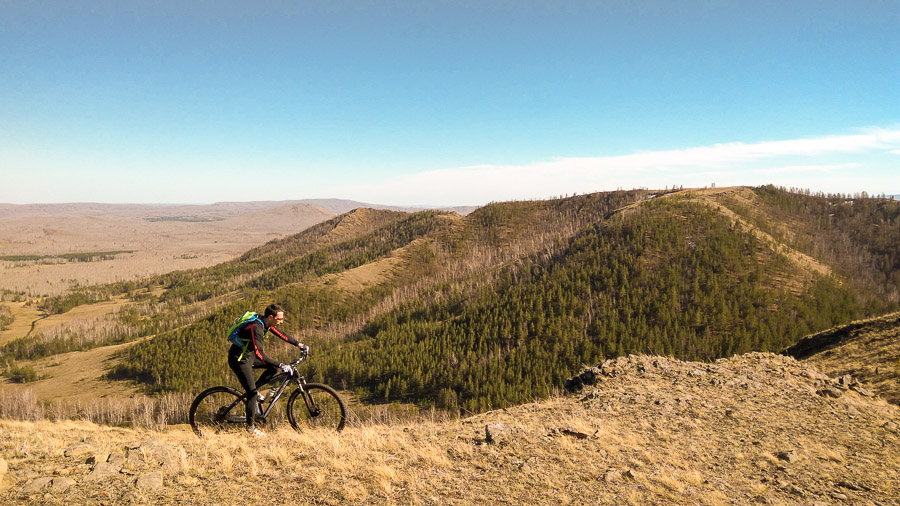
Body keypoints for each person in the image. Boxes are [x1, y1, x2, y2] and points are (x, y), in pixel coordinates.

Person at [227, 303, 308, 436]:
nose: (281, 322)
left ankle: (255, 391)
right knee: (252, 394)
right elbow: (260, 354)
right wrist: (281, 364)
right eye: (279, 319)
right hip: (240, 360)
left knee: (272, 369)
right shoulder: (256, 327)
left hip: (249, 356)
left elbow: (282, 334)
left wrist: (299, 344)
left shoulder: (266, 323)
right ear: (271, 317)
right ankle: (250, 428)